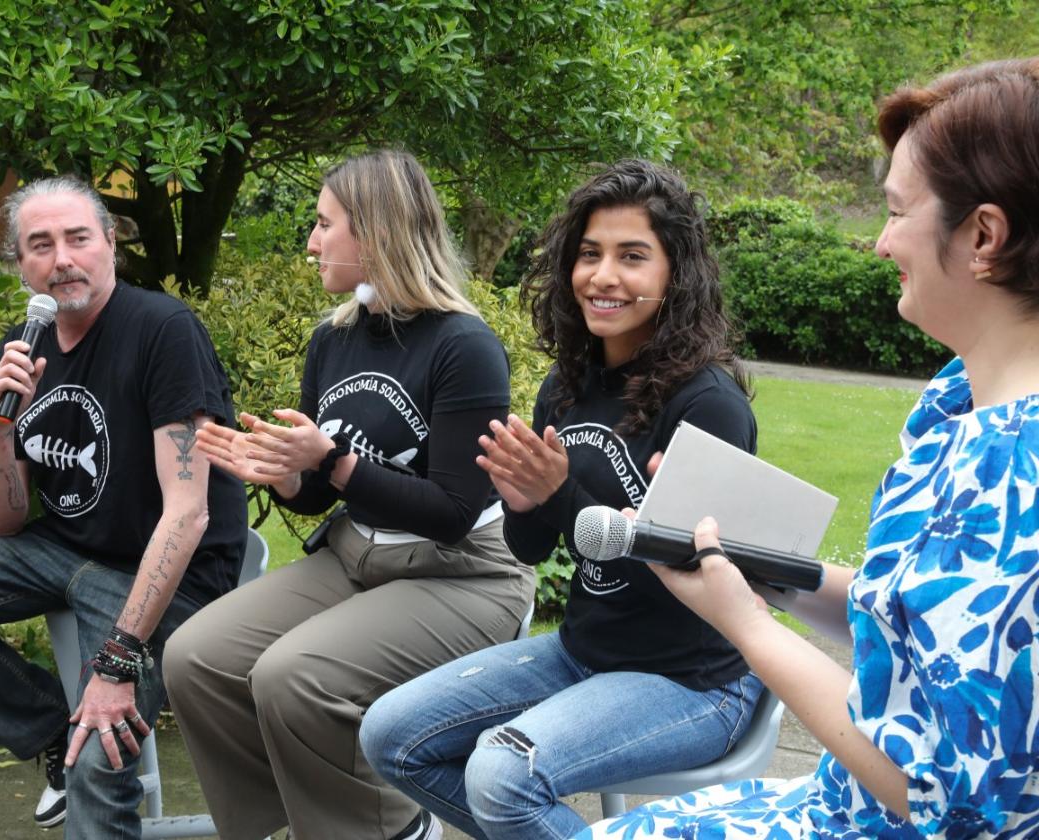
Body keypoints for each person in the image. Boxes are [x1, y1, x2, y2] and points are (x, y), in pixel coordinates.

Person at [576, 57, 1039, 840]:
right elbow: (916, 622)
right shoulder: (956, 399)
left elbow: (942, 797)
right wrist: (762, 569)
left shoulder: (1018, 468)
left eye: (896, 212)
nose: (880, 242)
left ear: (984, 236)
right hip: (840, 803)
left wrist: (748, 626)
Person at [359, 159, 762, 840]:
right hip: (584, 652)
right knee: (389, 735)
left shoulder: (708, 405)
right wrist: (525, 501)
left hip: (693, 682)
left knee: (503, 774)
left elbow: (694, 579)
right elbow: (531, 549)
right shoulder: (568, 385)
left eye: (633, 257)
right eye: (589, 255)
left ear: (675, 276)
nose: (603, 276)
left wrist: (561, 493)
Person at [0, 176, 248, 839]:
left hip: (161, 574)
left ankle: (75, 754)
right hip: (60, 548)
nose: (63, 258)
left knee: (100, 756)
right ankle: (47, 730)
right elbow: (0, 522)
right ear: (18, 264)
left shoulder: (162, 331)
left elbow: (188, 513)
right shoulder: (24, 343)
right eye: (41, 244)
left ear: (109, 246)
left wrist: (117, 664)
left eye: (78, 238)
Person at [162, 149, 535, 840]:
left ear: (375, 233)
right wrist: (285, 473)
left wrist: (331, 461)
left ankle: (389, 825)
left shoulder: (465, 346)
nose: (311, 241)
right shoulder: (332, 340)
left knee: (292, 677)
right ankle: (284, 823)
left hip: (465, 574)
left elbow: (453, 513)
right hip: (357, 556)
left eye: (323, 224)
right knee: (195, 655)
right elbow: (315, 498)